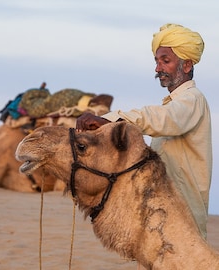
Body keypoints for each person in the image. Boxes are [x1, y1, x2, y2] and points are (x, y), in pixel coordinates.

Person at [76, 23, 212, 240]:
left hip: (184, 217)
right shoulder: (174, 104)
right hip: (164, 211)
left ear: (186, 65)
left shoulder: (191, 100)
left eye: (165, 61)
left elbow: (159, 119)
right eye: (157, 62)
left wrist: (110, 120)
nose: (158, 69)